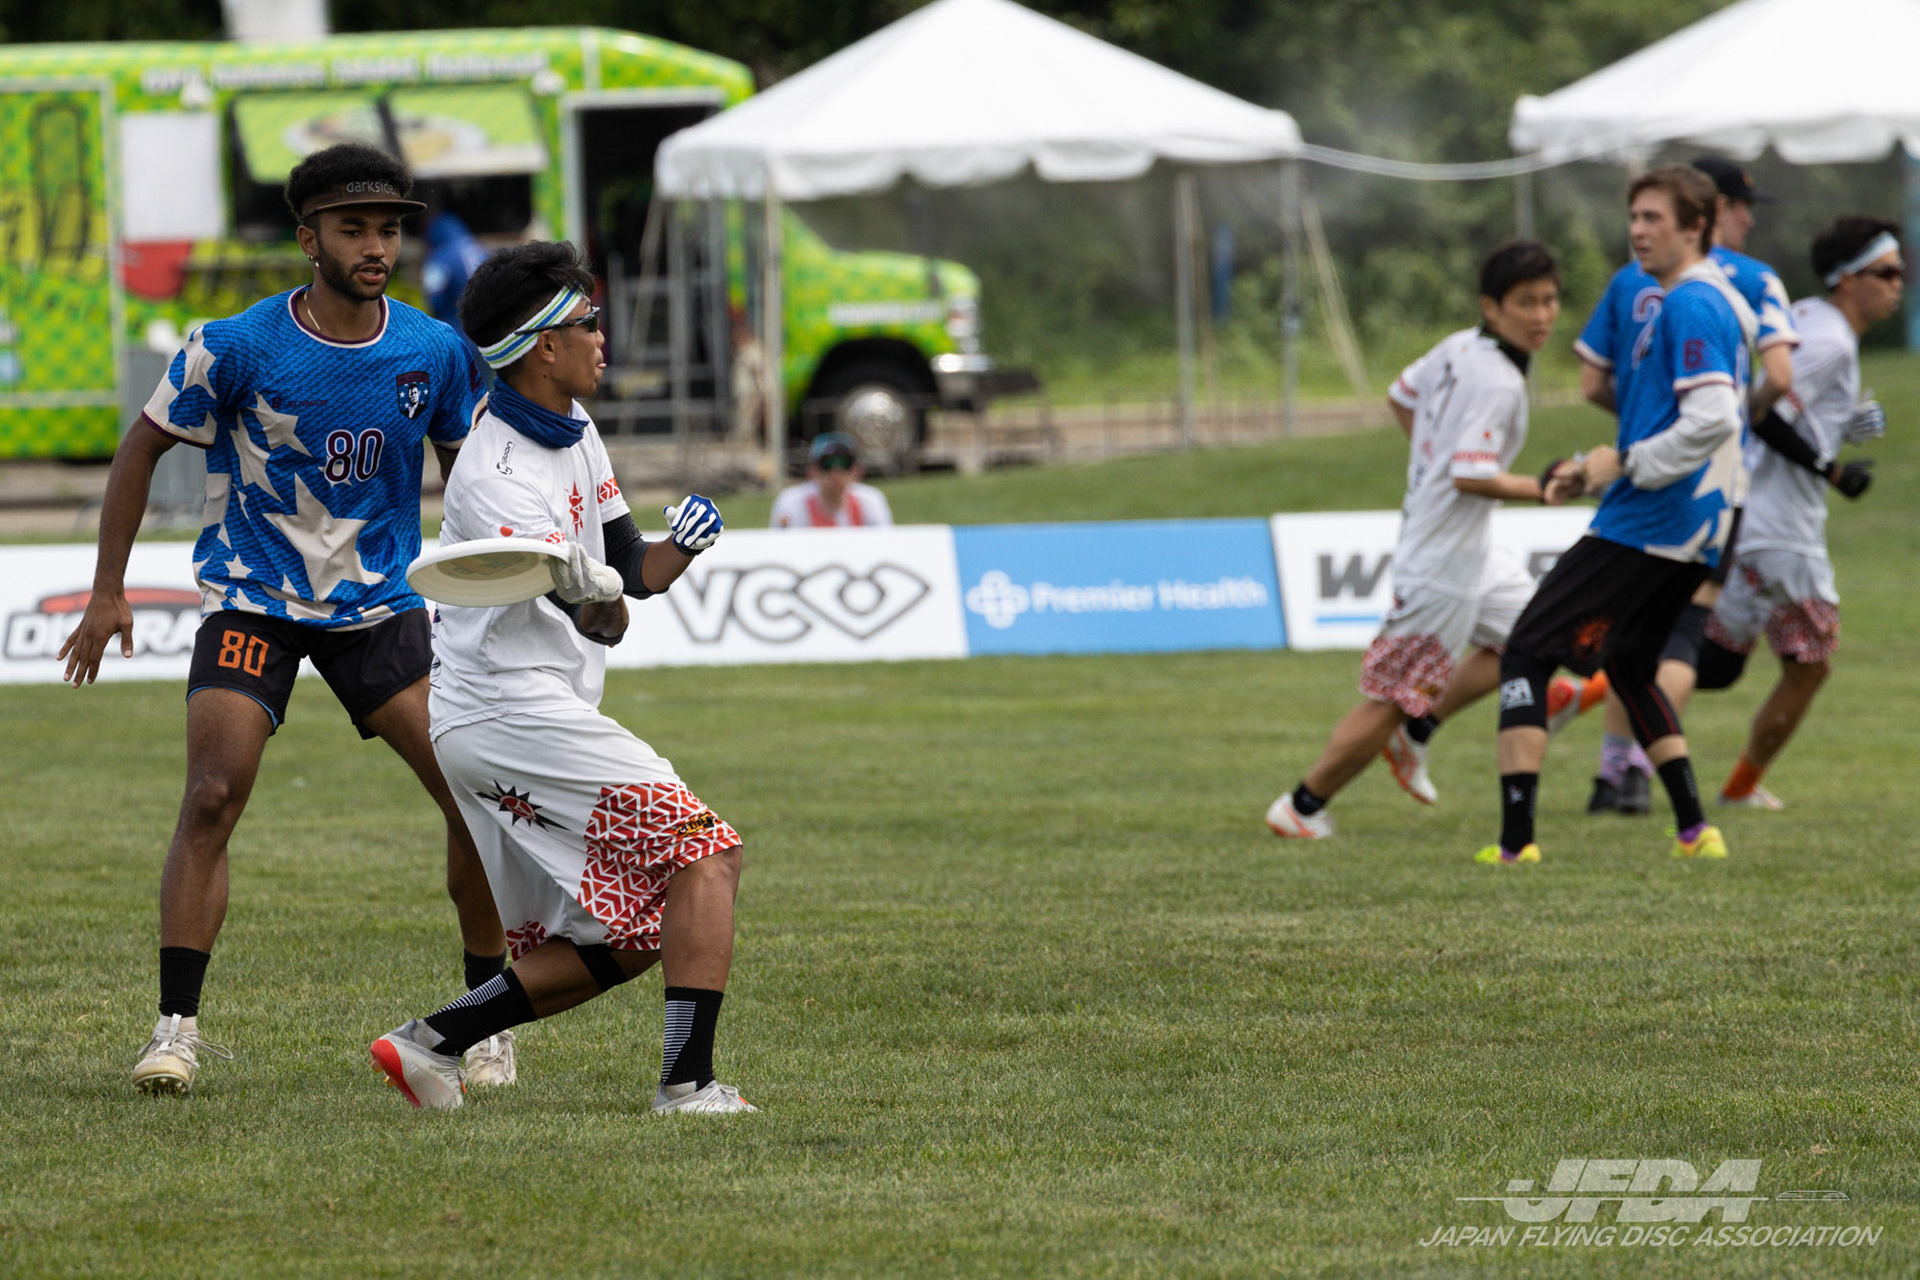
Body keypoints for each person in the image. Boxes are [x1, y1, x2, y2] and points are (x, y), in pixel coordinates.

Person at [56, 142, 517, 1094]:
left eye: (387, 229)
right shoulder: (235, 344)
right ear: (309, 239)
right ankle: (174, 1032)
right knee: (212, 796)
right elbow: (140, 449)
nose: (375, 246)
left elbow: (471, 481)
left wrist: (499, 586)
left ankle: (485, 1026)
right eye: (353, 229)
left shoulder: (435, 351)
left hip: (381, 607)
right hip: (251, 598)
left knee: (471, 796)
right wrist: (108, 591)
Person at [369, 241, 753, 1114]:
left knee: (632, 929)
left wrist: (681, 547)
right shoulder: (495, 476)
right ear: (545, 345)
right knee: (707, 852)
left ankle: (428, 1044)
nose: (603, 338)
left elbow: (633, 570)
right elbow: (602, 620)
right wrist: (600, 593)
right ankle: (687, 1085)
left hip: (509, 713)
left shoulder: (575, 425)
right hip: (508, 713)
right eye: (589, 322)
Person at [1480, 165, 1753, 866]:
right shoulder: (1688, 298)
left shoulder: (1693, 301)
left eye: (1654, 218)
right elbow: (1670, 417)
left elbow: (1716, 418)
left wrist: (1626, 463)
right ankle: (1695, 830)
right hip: (1690, 528)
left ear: (1696, 227)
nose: (1638, 230)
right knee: (1632, 666)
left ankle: (1515, 844)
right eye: (1634, 216)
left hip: (1650, 522)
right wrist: (1593, 466)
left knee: (1526, 650)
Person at [1266, 242, 1566, 838]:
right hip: (1441, 564)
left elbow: (1401, 396)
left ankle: (1419, 730)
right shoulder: (1500, 381)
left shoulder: (1458, 346)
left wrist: (1430, 461)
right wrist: (1544, 488)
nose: (1542, 316)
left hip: (1469, 551)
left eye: (1550, 300)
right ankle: (1301, 808)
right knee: (1391, 698)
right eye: (1526, 303)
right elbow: (1470, 474)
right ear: (1491, 307)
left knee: (1536, 636)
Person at [1566, 156, 1798, 816]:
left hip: (1639, 474)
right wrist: (1735, 423)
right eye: (1743, 206)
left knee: (1630, 632)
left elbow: (1591, 381)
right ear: (1711, 210)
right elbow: (1780, 377)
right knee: (1681, 631)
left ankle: (1610, 773)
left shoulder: (1629, 279)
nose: (1748, 220)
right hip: (1713, 485)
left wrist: (1649, 425)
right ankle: (1643, 770)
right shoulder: (1750, 280)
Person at [1690, 217, 1896, 807]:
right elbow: (1759, 410)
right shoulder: (1831, 341)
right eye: (1886, 273)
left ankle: (1586, 690)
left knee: (1713, 664)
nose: (1898, 285)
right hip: (1783, 531)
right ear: (1848, 279)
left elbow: (1786, 407)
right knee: (1811, 666)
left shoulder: (1809, 317)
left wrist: (1841, 425)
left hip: (1754, 522)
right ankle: (1740, 789)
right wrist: (1832, 470)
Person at [769, 432, 894, 528]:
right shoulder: (791, 502)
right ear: (812, 470)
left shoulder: (871, 501)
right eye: (827, 466)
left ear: (856, 471)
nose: (835, 474)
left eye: (844, 465)